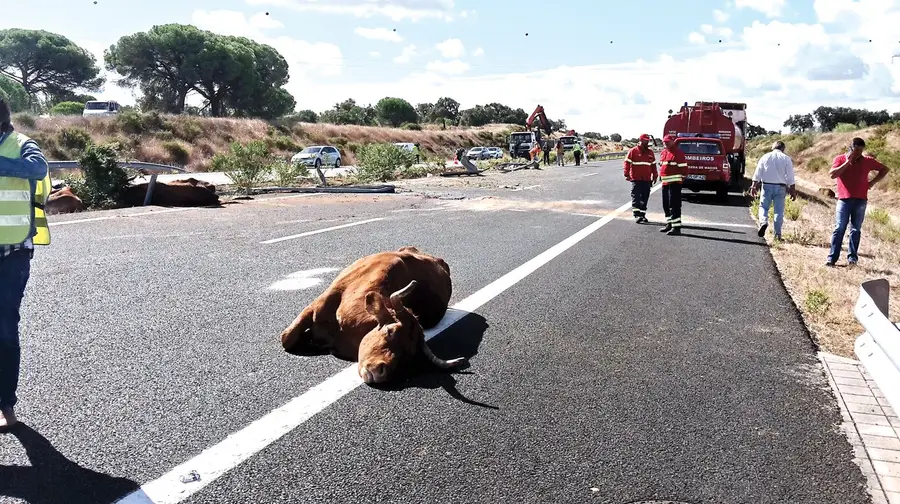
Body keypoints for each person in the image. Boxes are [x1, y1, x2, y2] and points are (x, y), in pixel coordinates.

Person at [0, 97, 52, 431]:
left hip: (12, 255)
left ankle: (6, 406)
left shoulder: (21, 144)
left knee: (4, 329)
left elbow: (38, 169)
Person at [825, 137, 890, 267]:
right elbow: (832, 175)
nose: (858, 153)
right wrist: (847, 162)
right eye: (856, 150)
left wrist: (872, 183)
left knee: (856, 229)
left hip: (860, 200)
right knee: (839, 228)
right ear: (851, 147)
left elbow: (885, 169)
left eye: (861, 150)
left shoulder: (867, 161)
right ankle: (832, 258)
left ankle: (852, 259)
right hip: (844, 199)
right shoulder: (840, 159)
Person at [750, 140, 796, 240]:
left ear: (773, 147)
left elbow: (758, 173)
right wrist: (793, 190)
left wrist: (754, 186)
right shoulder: (786, 159)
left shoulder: (765, 157)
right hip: (781, 187)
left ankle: (763, 222)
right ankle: (777, 235)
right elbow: (790, 177)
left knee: (763, 207)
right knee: (778, 211)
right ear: (783, 149)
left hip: (767, 186)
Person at [623, 133, 658, 223]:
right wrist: (626, 173)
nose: (647, 142)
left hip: (646, 179)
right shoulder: (633, 151)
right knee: (636, 196)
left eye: (648, 141)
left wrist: (655, 175)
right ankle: (636, 215)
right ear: (641, 140)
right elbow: (627, 162)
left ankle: (642, 215)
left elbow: (653, 165)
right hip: (636, 178)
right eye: (645, 141)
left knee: (645, 197)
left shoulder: (650, 152)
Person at [658, 134, 687, 235]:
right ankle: (669, 223)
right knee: (666, 205)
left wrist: (680, 179)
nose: (665, 144)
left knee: (674, 205)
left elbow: (684, 169)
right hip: (665, 183)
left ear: (673, 142)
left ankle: (676, 227)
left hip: (674, 184)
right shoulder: (663, 153)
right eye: (664, 142)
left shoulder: (678, 153)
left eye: (667, 142)